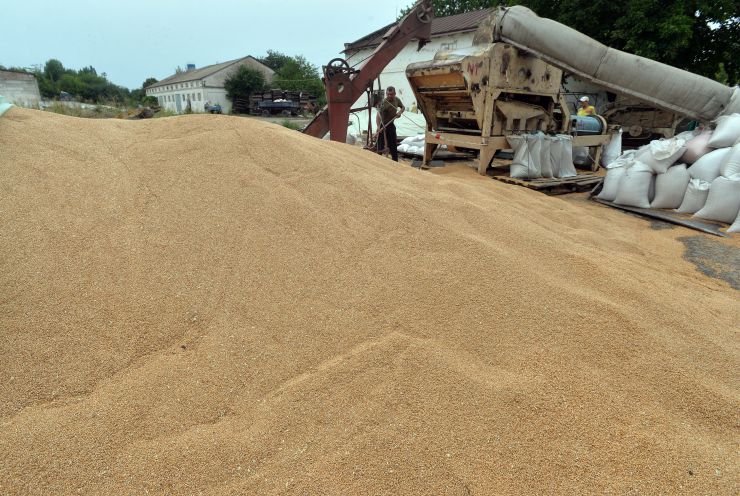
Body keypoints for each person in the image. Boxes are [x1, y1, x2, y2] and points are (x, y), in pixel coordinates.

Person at [375, 86, 405, 161]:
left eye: (391, 94)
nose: (389, 96)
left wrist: (399, 113)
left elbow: (403, 107)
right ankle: (378, 161)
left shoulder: (397, 100)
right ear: (386, 94)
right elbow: (378, 115)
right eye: (388, 94)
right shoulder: (383, 102)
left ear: (395, 93)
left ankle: (395, 161)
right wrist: (379, 127)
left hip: (390, 124)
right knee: (380, 145)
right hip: (383, 125)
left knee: (393, 144)